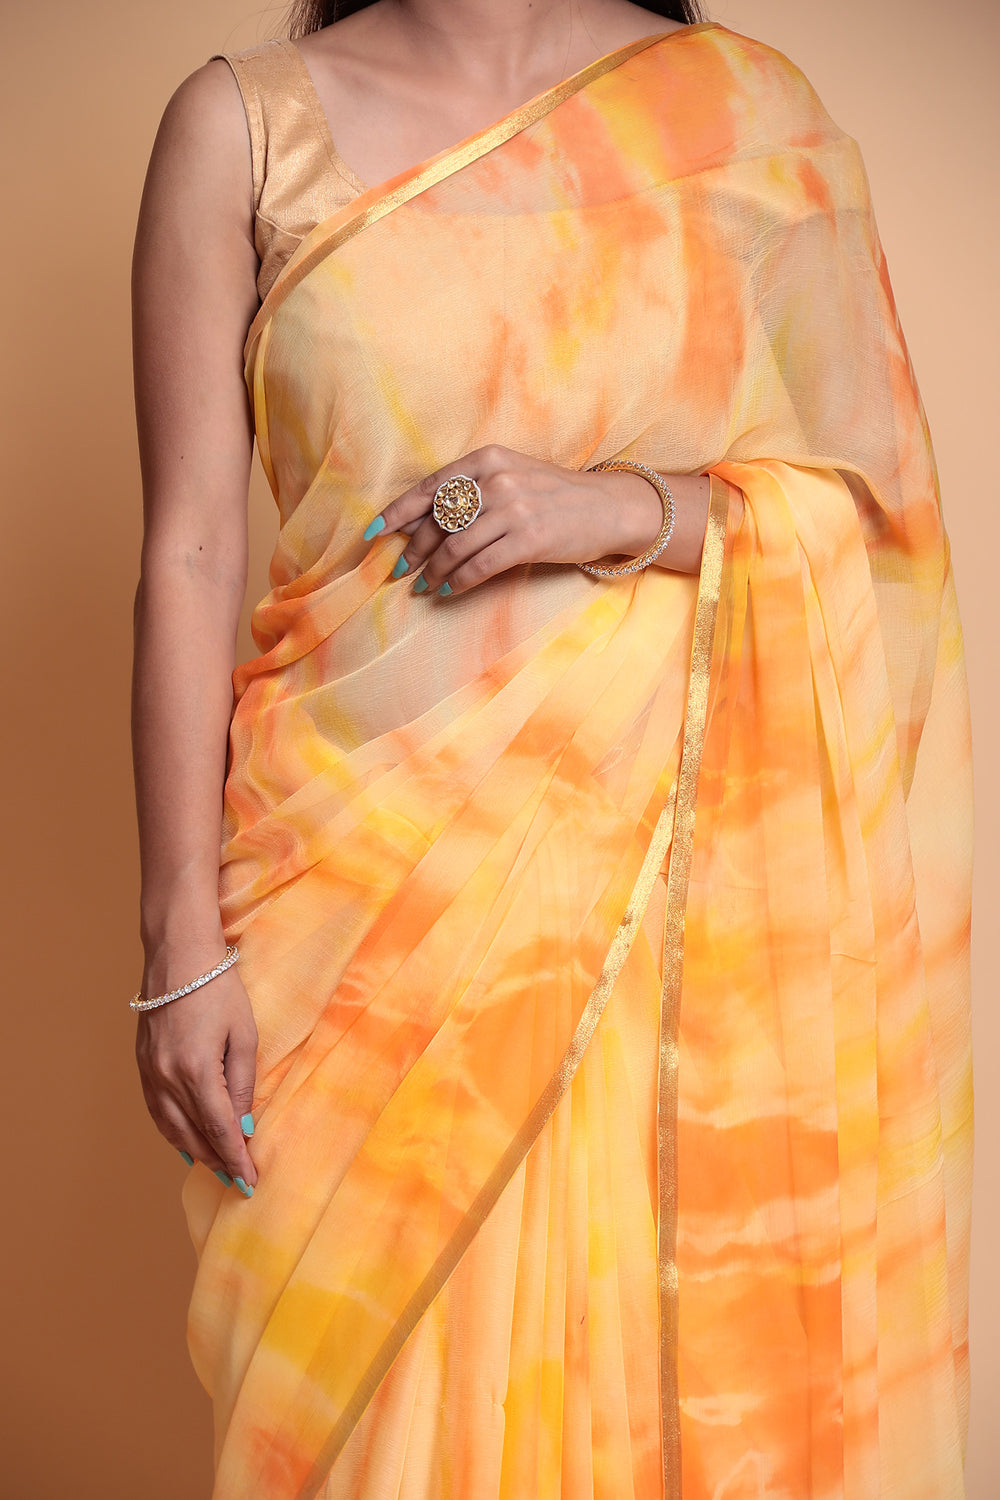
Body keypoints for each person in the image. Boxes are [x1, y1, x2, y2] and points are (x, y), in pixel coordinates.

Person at [129, 0, 973, 1495]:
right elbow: (189, 552)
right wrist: (177, 941)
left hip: (687, 915)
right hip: (351, 919)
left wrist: (614, 508)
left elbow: (877, 525)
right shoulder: (247, 129)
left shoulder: (746, 115)